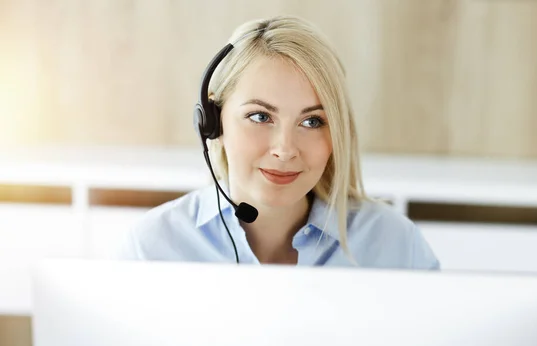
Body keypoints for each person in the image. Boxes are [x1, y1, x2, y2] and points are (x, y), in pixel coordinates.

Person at [119, 15, 440, 269]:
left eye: (312, 121)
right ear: (213, 122)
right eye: (260, 117)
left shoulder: (396, 245)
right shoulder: (152, 247)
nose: (285, 149)